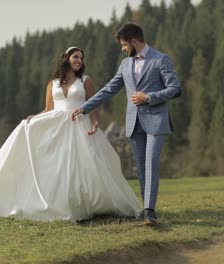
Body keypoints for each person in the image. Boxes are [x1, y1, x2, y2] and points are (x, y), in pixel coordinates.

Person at [0, 46, 141, 222]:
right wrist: (34, 118)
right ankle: (58, 204)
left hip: (79, 124)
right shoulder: (52, 84)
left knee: (83, 165)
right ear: (66, 58)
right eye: (76, 57)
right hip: (57, 126)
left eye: (81, 58)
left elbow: (93, 103)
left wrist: (96, 121)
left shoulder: (85, 81)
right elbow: (48, 108)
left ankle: (88, 203)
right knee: (55, 163)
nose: (79, 61)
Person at [72, 23, 181, 226]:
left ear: (133, 41)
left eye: (123, 45)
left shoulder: (160, 59)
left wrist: (149, 97)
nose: (122, 49)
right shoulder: (125, 65)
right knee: (141, 166)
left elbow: (175, 88)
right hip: (134, 122)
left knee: (151, 163)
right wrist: (85, 107)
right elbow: (109, 89)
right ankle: (146, 208)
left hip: (156, 120)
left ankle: (149, 210)